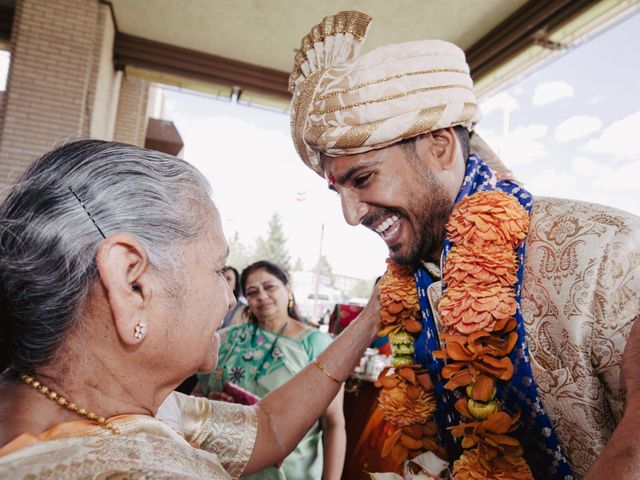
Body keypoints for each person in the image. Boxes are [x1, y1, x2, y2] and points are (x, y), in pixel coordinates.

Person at [288, 10, 640, 479]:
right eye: (339, 191)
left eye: (364, 178)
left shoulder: (606, 250)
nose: (351, 216)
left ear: (440, 146)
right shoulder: (414, 279)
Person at [0, 140, 380, 478]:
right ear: (132, 285)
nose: (231, 300)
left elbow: (269, 428)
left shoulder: (100, 404)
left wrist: (371, 316)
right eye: (218, 269)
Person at [197, 260, 345, 480]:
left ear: (288, 288)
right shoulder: (229, 338)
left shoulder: (316, 345)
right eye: (252, 292)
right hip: (227, 465)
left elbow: (333, 422)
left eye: (269, 287)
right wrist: (211, 405)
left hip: (290, 471)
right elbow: (198, 395)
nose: (262, 296)